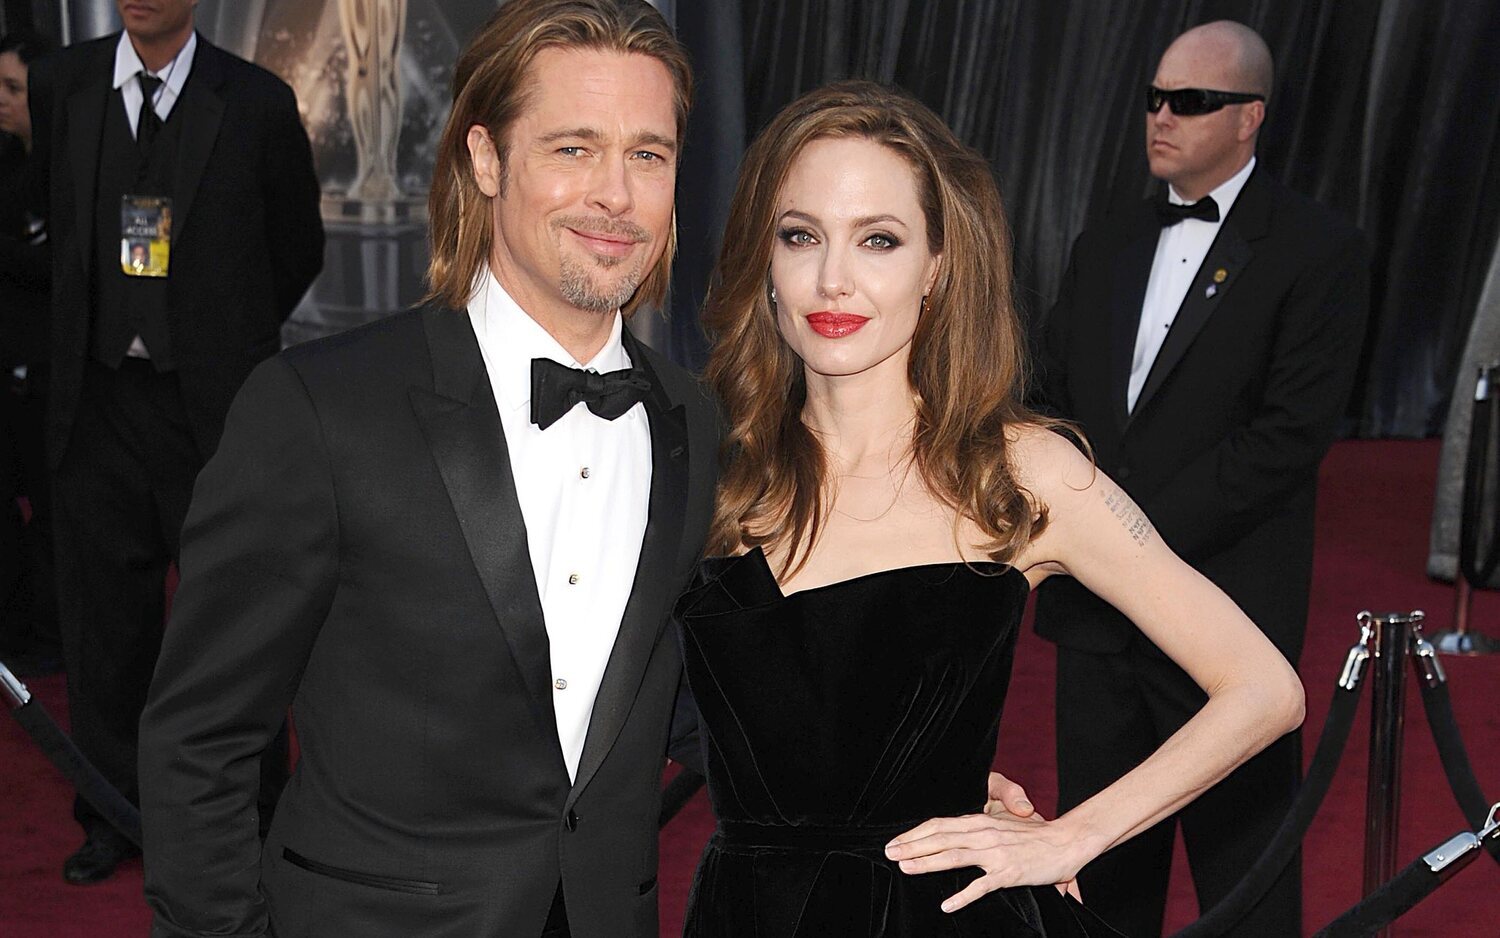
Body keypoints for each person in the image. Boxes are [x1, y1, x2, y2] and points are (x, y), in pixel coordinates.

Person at [675, 78, 1305, 937]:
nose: (834, 279)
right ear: (765, 259)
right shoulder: (712, 469)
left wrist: (1076, 838)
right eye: (800, 236)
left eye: (879, 240)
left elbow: (1264, 687)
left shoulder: (1021, 472)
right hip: (747, 912)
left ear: (936, 266)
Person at [138, 2, 717, 935]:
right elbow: (200, 739)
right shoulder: (319, 409)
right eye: (573, 149)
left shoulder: (694, 420)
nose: (617, 195)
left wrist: (912, 781)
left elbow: (695, 697)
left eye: (647, 155)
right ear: (485, 160)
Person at [1035, 21, 1369, 937]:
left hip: (1230, 616)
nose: (1162, 117)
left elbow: (1287, 440)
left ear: (1250, 118)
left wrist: (1117, 536)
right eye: (1153, 98)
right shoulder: (1104, 238)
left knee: (1246, 877)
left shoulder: (1318, 250)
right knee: (1098, 873)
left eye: (1190, 101)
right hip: (1099, 627)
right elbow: (1051, 396)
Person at [27, 0, 324, 884]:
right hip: (96, 408)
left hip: (216, 418)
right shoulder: (64, 85)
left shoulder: (258, 103)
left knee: (235, 627)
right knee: (104, 633)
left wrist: (220, 342)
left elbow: (296, 246)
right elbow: (51, 227)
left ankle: (255, 814)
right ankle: (113, 814)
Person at [0, 28, 58, 672]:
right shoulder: (8, 163)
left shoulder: (66, 169)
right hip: (11, 367)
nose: (2, 100)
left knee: (51, 513)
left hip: (51, 369)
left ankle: (51, 633)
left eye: (14, 89)